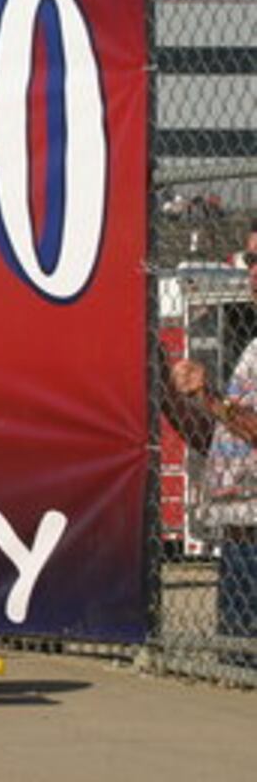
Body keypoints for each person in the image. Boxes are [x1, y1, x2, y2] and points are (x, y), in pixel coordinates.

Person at [164, 222, 257, 647]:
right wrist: (172, 394)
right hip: (238, 533)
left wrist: (209, 395)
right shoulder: (253, 348)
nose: (253, 270)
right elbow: (221, 436)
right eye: (251, 259)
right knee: (236, 654)